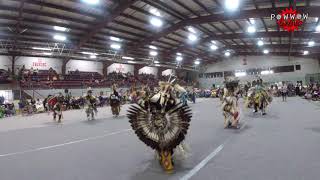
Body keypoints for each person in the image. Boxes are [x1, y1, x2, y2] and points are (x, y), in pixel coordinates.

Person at [127, 77, 192, 172]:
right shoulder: (157, 96)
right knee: (162, 144)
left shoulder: (170, 97)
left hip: (167, 123)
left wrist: (174, 87)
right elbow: (148, 100)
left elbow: (183, 92)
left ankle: (166, 161)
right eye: (165, 87)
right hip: (159, 124)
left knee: (166, 144)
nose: (167, 89)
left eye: (168, 88)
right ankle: (166, 162)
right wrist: (138, 94)